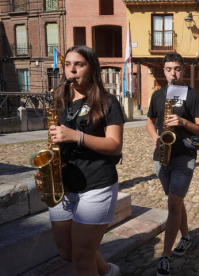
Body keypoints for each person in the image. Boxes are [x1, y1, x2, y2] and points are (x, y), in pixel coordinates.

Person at [48, 45, 124, 276]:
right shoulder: (60, 100)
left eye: (79, 64)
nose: (72, 70)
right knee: (68, 254)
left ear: (92, 69)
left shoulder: (108, 102)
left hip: (96, 185)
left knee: (82, 258)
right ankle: (109, 271)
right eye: (68, 64)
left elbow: (115, 145)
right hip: (63, 186)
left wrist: (76, 136)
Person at [146, 52, 199, 276]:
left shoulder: (193, 96)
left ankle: (165, 256)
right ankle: (187, 237)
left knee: (172, 204)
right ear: (164, 70)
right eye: (170, 69)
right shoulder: (158, 95)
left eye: (178, 69)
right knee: (176, 202)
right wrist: (154, 136)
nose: (174, 73)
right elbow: (150, 121)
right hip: (161, 156)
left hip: (184, 157)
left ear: (183, 70)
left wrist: (182, 121)